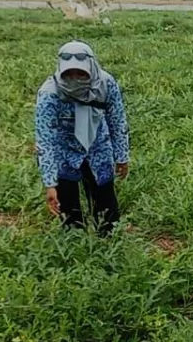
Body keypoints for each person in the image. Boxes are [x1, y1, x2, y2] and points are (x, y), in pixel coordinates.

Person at [34, 41, 130, 236]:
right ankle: (74, 245)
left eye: (81, 74)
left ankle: (108, 244)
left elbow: (117, 120)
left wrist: (122, 156)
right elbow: (46, 140)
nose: (75, 80)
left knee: (105, 204)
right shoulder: (49, 95)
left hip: (98, 148)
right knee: (68, 209)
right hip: (65, 152)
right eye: (68, 75)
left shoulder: (105, 83)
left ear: (91, 69)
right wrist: (50, 183)